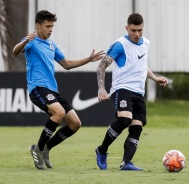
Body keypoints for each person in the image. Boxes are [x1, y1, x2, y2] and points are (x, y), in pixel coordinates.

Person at [12, 10, 104, 170]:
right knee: (59, 113)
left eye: (52, 27)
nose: (50, 29)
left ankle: (47, 148)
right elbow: (15, 51)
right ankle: (38, 149)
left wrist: (89, 59)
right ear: (38, 26)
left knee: (75, 123)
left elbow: (67, 64)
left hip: (52, 90)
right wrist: (25, 41)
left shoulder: (52, 44)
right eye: (47, 26)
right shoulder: (31, 41)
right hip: (37, 88)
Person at [95, 13, 168, 171]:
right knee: (125, 120)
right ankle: (101, 150)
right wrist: (101, 87)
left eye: (140, 30)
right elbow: (101, 65)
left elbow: (141, 65)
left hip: (138, 92)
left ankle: (126, 163)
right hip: (122, 89)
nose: (137, 34)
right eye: (133, 30)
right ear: (127, 28)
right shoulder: (119, 45)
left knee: (137, 126)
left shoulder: (146, 43)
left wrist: (154, 78)